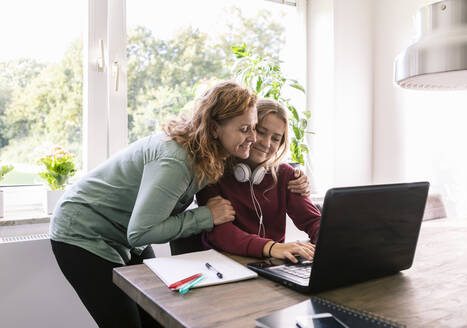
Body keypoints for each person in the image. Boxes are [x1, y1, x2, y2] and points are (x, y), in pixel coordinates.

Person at [49, 81, 258, 328]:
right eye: (244, 129)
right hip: (84, 233)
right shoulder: (176, 161)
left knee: (160, 319)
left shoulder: (209, 153)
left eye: (254, 127)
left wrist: (294, 180)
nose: (253, 137)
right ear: (213, 128)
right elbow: (141, 233)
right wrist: (205, 216)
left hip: (124, 237)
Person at [196, 99, 321, 263]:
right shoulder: (213, 172)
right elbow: (220, 233)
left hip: (269, 265)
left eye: (276, 138)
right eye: (261, 132)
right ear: (247, 129)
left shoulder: (285, 175)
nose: (266, 143)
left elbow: (313, 221)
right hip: (224, 265)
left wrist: (329, 245)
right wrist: (271, 247)